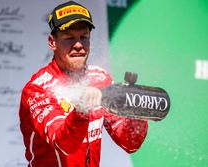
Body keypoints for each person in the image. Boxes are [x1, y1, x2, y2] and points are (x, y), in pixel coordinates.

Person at [19, 1, 148, 167]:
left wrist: (137, 117)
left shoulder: (100, 78)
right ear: (52, 42)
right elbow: (64, 144)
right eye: (69, 38)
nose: (78, 45)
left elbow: (129, 144)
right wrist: (81, 110)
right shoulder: (38, 90)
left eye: (84, 37)